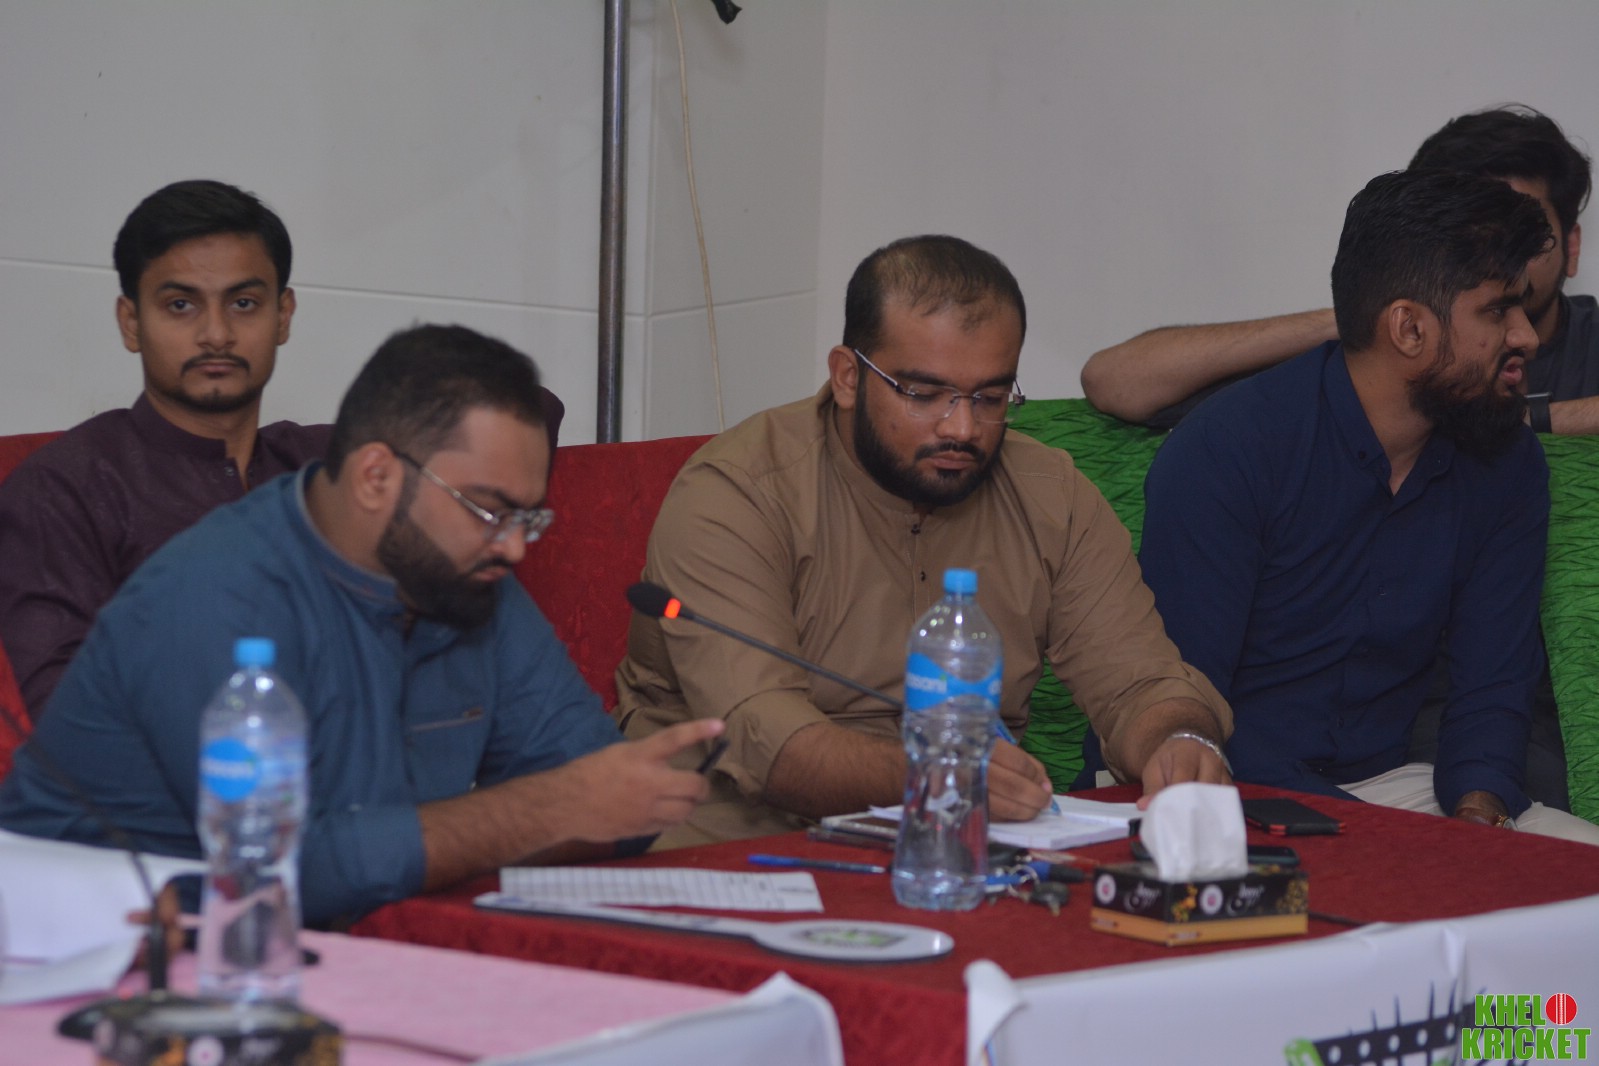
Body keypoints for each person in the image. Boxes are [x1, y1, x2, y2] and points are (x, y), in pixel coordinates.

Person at [0, 324, 721, 924]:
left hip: (353, 950)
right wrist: (546, 812)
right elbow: (282, 875)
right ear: (377, 477)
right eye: (489, 510)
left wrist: (613, 801)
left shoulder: (465, 577)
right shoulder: (214, 595)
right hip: (103, 969)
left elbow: (600, 797)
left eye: (527, 518)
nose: (513, 547)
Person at [615, 235, 1231, 845]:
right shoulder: (738, 493)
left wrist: (1178, 740)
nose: (962, 427)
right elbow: (767, 741)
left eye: (990, 397)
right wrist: (938, 775)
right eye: (924, 394)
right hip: (730, 843)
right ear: (848, 376)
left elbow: (1140, 682)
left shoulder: (1052, 496)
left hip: (965, 845)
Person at [1129, 169, 1599, 843]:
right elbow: (1181, 698)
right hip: (1205, 778)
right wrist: (1381, 842)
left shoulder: (1505, 460)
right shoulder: (1231, 448)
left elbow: (1492, 690)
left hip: (1390, 787)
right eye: (1498, 311)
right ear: (1408, 328)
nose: (1526, 336)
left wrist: (1478, 825)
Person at [0, 180, 563, 721]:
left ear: (283, 316)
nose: (216, 333)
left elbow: (526, 410)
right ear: (131, 323)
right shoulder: (65, 488)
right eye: (181, 305)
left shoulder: (322, 465)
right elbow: (63, 713)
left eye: (244, 303)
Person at [1081, 105, 1592, 433]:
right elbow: (1114, 381)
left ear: (1570, 246)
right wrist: (1363, 319)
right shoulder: (1370, 352)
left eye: (1527, 235)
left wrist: (1527, 420)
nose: (1497, 257)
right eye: (1470, 236)